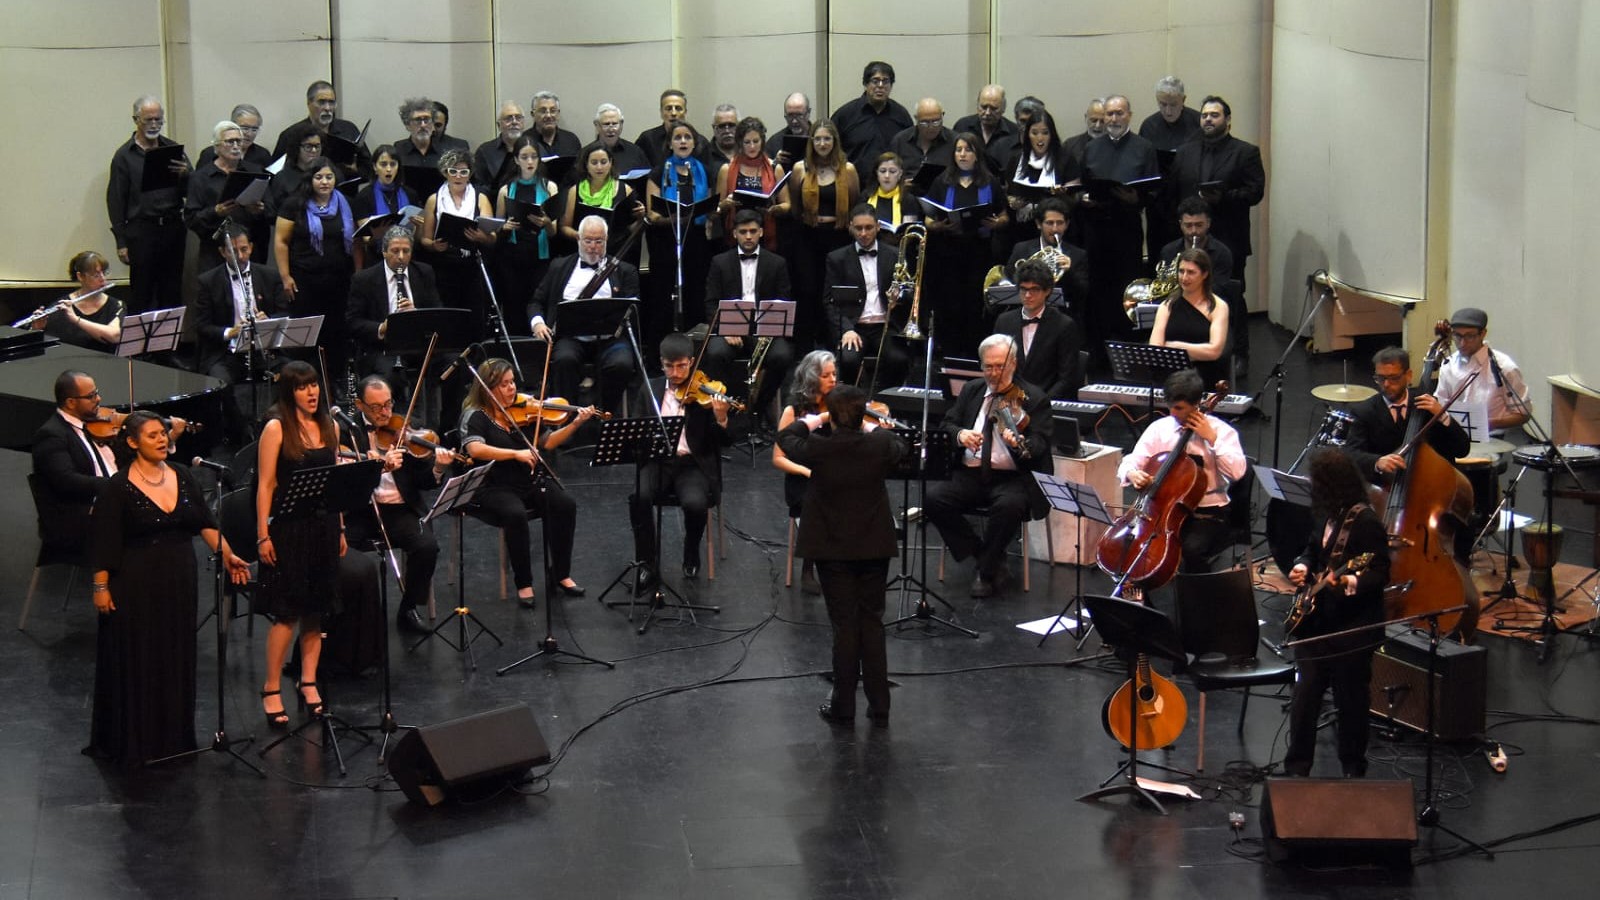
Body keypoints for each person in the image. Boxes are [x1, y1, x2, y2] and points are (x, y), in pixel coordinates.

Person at [84, 411, 250, 764]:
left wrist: (228, 555)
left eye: (163, 433)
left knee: (174, 653)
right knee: (140, 656)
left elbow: (204, 522)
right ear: (132, 443)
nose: (162, 440)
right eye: (152, 435)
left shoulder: (183, 475)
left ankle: (172, 737)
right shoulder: (117, 486)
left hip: (179, 577)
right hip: (135, 581)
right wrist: (101, 586)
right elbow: (105, 542)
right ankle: (138, 740)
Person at [779, 384, 907, 725]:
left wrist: (816, 418)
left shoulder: (819, 447)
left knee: (844, 626)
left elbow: (786, 438)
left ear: (832, 417)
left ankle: (843, 706)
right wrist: (870, 424)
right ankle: (880, 705)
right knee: (872, 623)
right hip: (873, 546)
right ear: (862, 414)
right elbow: (900, 445)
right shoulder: (879, 444)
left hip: (832, 548)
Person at [1284, 447, 1392, 779]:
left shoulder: (1366, 522)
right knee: (1305, 697)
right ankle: (1296, 768)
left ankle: (1352, 768)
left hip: (1352, 628)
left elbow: (1379, 572)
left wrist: (1348, 580)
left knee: (1351, 701)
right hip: (1318, 623)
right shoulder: (1326, 515)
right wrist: (1302, 566)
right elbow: (1313, 550)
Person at [923, 334, 1053, 597]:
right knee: (933, 498)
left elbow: (1040, 445)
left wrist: (1019, 443)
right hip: (970, 472)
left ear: (1013, 364)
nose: (994, 373)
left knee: (1010, 506)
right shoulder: (973, 390)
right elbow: (948, 424)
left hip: (1013, 477)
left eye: (1000, 366)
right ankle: (986, 555)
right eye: (988, 366)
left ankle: (985, 572)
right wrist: (961, 435)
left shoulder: (1034, 398)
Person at [255, 361, 346, 727]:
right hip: (290, 529)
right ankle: (272, 686)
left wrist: (339, 528)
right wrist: (263, 534)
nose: (311, 393)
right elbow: (266, 485)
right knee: (288, 611)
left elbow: (336, 480)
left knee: (316, 610)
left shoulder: (331, 426)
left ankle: (308, 680)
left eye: (314, 386)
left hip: (323, 526)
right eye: (302, 387)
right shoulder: (276, 428)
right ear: (289, 392)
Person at [459, 357, 591, 607]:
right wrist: (515, 453)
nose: (512, 389)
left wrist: (576, 422)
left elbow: (548, 442)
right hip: (493, 486)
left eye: (512, 383)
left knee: (565, 504)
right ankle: (524, 583)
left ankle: (560, 574)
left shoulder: (523, 410)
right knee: (515, 514)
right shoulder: (475, 415)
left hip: (526, 480)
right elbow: (475, 449)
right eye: (504, 384)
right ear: (488, 388)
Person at [341, 375, 455, 636]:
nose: (385, 412)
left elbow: (424, 481)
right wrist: (376, 467)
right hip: (360, 510)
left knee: (427, 546)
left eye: (389, 404)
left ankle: (408, 608)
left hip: (400, 510)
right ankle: (347, 617)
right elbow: (343, 481)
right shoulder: (346, 431)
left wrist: (438, 467)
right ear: (359, 405)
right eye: (377, 407)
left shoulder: (405, 428)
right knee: (339, 551)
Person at [1116, 368, 1247, 573]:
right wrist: (1132, 473)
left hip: (1207, 514)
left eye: (1179, 408)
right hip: (1161, 509)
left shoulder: (1222, 432)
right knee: (1129, 545)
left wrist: (1212, 439)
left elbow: (1237, 472)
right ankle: (1141, 600)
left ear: (1197, 405)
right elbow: (1132, 460)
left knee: (1190, 550)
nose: (1173, 414)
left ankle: (1197, 599)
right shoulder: (1160, 428)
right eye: (1170, 407)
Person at [630, 333, 734, 584]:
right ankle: (647, 562)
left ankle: (691, 552)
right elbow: (636, 431)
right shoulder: (650, 389)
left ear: (692, 362)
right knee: (639, 498)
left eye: (682, 366)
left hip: (692, 464)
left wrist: (721, 419)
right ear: (662, 363)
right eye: (669, 366)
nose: (675, 373)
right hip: (658, 461)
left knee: (696, 504)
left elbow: (726, 442)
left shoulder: (706, 394)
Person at [1167, 96, 1265, 360]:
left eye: (1214, 115)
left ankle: (1238, 354)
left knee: (1231, 297)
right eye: (1204, 115)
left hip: (1228, 237)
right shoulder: (1186, 151)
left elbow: (1256, 192)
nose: (1208, 119)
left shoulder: (1246, 152)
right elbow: (1174, 191)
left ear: (1228, 120)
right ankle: (1194, 349)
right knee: (1187, 292)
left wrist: (1225, 197)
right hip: (1191, 239)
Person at [528, 215, 640, 416]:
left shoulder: (625, 271)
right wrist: (538, 324)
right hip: (571, 338)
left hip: (610, 339)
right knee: (564, 360)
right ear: (578, 239)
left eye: (599, 241)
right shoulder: (559, 266)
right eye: (588, 240)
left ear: (607, 241)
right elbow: (535, 301)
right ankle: (565, 419)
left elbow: (632, 311)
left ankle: (603, 413)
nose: (593, 246)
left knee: (622, 364)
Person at [1080, 95, 1160, 354]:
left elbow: (1153, 190)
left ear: (1129, 115)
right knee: (1098, 287)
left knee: (1126, 286)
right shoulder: (1092, 148)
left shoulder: (1144, 147)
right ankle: (1100, 348)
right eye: (1109, 114)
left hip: (1127, 229)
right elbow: (1083, 184)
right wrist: (1085, 199)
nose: (1113, 119)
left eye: (1119, 113)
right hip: (1096, 229)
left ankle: (1127, 346)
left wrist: (1136, 198)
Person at [194, 228, 288, 445]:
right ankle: (240, 436)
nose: (240, 256)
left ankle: (276, 426)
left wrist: (269, 319)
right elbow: (202, 326)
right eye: (234, 251)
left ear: (252, 248)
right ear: (222, 252)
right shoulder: (208, 281)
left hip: (262, 349)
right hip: (227, 353)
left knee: (294, 374)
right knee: (222, 383)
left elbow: (285, 312)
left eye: (244, 249)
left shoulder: (269, 275)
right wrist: (230, 331)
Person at [701, 209, 796, 418]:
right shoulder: (719, 262)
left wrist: (770, 329)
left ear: (761, 232)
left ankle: (758, 409)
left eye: (753, 231)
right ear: (734, 233)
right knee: (716, 354)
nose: (749, 236)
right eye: (743, 232)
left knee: (782, 356)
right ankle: (729, 408)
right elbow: (710, 303)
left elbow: (783, 300)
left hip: (764, 330)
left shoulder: (776, 263)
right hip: (729, 329)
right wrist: (725, 330)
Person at [921, 132, 1009, 359]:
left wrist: (996, 222)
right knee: (949, 305)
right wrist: (938, 225)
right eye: (959, 150)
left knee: (974, 306)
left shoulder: (989, 183)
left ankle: (973, 354)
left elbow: (1004, 216)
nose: (963, 154)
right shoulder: (942, 181)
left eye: (968, 150)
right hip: (948, 253)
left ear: (977, 155)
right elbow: (928, 219)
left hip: (979, 254)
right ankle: (950, 353)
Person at [273, 155, 358, 375]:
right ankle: (306, 379)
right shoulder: (295, 204)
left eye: (329, 177)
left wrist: (357, 275)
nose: (324, 182)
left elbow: (356, 241)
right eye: (319, 177)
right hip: (304, 280)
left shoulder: (344, 203)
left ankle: (336, 381)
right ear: (310, 179)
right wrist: (285, 276)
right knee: (307, 334)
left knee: (337, 332)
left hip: (339, 281)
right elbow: (281, 242)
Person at [780, 119, 861, 348]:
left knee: (833, 291)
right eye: (818, 139)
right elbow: (795, 206)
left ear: (834, 141)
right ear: (811, 141)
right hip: (808, 236)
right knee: (808, 290)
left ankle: (833, 342)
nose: (822, 143)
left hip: (838, 237)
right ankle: (805, 345)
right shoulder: (800, 168)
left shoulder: (848, 169)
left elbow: (854, 202)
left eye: (827, 138)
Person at [107, 95, 190, 314]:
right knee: (142, 292)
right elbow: (116, 200)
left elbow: (191, 191)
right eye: (149, 120)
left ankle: (169, 347)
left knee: (171, 291)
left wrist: (185, 175)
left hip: (172, 228)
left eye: (158, 120)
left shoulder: (172, 148)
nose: (154, 125)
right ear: (136, 120)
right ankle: (140, 348)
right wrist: (121, 242)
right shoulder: (124, 156)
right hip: (141, 231)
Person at [1344, 346, 1471, 483]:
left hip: (1428, 484)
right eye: (1380, 378)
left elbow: (1461, 449)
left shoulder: (1426, 406)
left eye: (1394, 378)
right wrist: (1377, 462)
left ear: (1408, 375)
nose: (1386, 384)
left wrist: (1442, 416)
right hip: (1386, 487)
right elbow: (1351, 454)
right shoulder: (1364, 411)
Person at [32, 372, 122, 555]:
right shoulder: (51, 434)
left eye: (96, 392)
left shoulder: (88, 424)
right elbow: (66, 480)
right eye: (91, 396)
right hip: (76, 518)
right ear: (71, 402)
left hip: (103, 503)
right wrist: (113, 485)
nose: (99, 399)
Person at [644, 121, 716, 349]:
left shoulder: (703, 170)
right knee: (664, 296)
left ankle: (694, 349)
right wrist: (676, 218)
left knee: (696, 291)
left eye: (687, 137)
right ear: (670, 143)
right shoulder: (659, 172)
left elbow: (711, 206)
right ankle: (660, 351)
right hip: (666, 238)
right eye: (678, 137)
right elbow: (652, 214)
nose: (683, 141)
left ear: (695, 143)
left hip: (696, 239)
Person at [773, 349, 838, 595]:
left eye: (834, 374)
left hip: (833, 475)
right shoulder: (794, 411)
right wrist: (807, 472)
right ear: (812, 378)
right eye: (826, 375)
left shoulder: (839, 406)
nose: (833, 379)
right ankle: (809, 568)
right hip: (803, 478)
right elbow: (778, 459)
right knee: (816, 502)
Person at [822, 204, 909, 388]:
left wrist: (899, 298)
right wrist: (846, 329)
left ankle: (886, 403)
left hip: (886, 326)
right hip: (855, 327)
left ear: (878, 227)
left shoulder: (895, 255)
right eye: (858, 228)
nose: (863, 233)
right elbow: (830, 301)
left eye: (868, 228)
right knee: (848, 360)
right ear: (850, 227)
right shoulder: (837, 258)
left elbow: (910, 292)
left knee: (898, 359)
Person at [419, 148, 497, 338]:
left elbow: (493, 237)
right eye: (453, 171)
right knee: (450, 318)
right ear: (445, 173)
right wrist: (433, 246)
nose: (458, 176)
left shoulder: (480, 197)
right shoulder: (434, 199)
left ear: (470, 174)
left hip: (472, 266)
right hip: (445, 267)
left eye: (463, 171)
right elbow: (424, 239)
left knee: (475, 318)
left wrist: (480, 237)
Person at [346, 225, 440, 383]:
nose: (401, 257)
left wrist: (417, 314)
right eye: (395, 251)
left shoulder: (424, 272)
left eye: (406, 251)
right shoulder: (364, 279)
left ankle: (445, 409)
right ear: (384, 252)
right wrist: (382, 328)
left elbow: (438, 311)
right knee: (392, 374)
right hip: (383, 349)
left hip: (420, 346)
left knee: (454, 363)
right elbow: (352, 322)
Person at [493, 134, 559, 329]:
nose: (530, 162)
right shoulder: (506, 190)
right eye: (524, 157)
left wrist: (546, 221)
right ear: (516, 160)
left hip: (539, 256)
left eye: (534, 157)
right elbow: (497, 227)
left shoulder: (549, 187)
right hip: (512, 257)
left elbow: (554, 231)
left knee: (537, 302)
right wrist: (505, 227)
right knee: (514, 306)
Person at [994, 258, 1083, 400]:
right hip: (1010, 402)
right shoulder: (1004, 321)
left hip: (1046, 404)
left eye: (1034, 289)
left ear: (1047, 291)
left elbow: (1067, 379)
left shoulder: (1064, 325)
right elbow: (997, 368)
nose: (1028, 295)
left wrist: (1040, 404)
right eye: (1024, 289)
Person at [184, 120, 269, 266]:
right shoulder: (200, 178)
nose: (236, 146)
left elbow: (272, 209)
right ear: (217, 146)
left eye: (239, 141)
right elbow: (191, 219)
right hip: (214, 251)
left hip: (250, 249)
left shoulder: (255, 171)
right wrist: (216, 212)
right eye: (230, 142)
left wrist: (260, 210)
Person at [1435, 307, 1531, 431]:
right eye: (1457, 336)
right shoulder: (1448, 365)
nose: (1463, 343)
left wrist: (1486, 423)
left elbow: (1523, 414)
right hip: (1456, 438)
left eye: (1470, 336)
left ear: (1483, 334)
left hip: (1495, 439)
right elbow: (1440, 405)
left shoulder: (1504, 367)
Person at [1149, 247, 1231, 387]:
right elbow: (1155, 348)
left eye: (1191, 272)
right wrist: (1195, 352)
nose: (1184, 277)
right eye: (1181, 271)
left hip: (1205, 376)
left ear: (1204, 274)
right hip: (1172, 376)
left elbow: (1214, 351)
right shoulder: (1167, 305)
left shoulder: (1218, 306)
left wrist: (1177, 347)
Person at [559, 143, 647, 261]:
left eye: (604, 162)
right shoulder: (575, 191)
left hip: (616, 254)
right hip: (585, 253)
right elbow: (565, 227)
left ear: (610, 163)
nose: (599, 167)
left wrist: (641, 217)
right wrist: (580, 236)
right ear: (586, 165)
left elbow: (631, 229)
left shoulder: (625, 190)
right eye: (594, 163)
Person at [1003, 110, 1078, 246]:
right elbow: (1007, 192)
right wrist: (1012, 201)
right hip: (1022, 231)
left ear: (1052, 135)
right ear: (1027, 135)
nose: (1040, 138)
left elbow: (1075, 199)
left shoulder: (1065, 159)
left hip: (1055, 229)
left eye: (1045, 132)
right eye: (1034, 133)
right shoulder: (1017, 159)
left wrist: (1062, 196)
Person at [270, 81, 372, 181]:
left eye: (331, 102)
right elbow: (276, 174)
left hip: (344, 194)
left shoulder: (349, 130)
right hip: (304, 194)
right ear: (309, 103)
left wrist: (355, 171)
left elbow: (369, 168)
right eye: (321, 102)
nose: (327, 108)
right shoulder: (290, 135)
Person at [1003, 197, 1089, 312]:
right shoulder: (1021, 249)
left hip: (1062, 317)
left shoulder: (1078, 254)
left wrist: (1069, 272)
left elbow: (1082, 294)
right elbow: (1009, 283)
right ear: (1039, 224)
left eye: (1060, 223)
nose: (1055, 229)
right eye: (1049, 223)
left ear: (1067, 225)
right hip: (1026, 312)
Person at [28, 251, 125, 351]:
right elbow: (49, 346)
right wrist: (37, 329)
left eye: (105, 273)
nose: (103, 279)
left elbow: (115, 336)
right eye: (96, 275)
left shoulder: (116, 305)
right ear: (80, 276)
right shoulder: (62, 306)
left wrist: (75, 319)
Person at [714, 117, 785, 247]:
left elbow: (788, 205)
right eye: (747, 142)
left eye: (756, 141)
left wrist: (775, 208)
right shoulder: (727, 169)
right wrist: (725, 204)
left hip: (765, 231)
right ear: (740, 143)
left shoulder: (775, 168)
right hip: (736, 233)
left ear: (763, 141)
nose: (752, 146)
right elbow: (715, 208)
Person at [830, 61, 913, 171]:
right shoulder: (845, 115)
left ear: (891, 85)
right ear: (865, 84)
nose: (880, 86)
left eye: (885, 81)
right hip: (854, 184)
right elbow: (831, 149)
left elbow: (910, 152)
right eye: (875, 81)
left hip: (891, 185)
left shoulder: (901, 115)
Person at [350, 144, 425, 261]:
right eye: (383, 164)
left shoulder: (411, 194)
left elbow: (417, 237)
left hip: (406, 257)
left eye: (393, 164)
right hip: (378, 259)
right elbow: (365, 239)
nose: (389, 169)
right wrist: (377, 234)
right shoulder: (364, 197)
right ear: (375, 167)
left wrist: (419, 227)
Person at [953, 84, 1018, 177]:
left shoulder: (1013, 132)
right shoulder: (963, 126)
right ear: (977, 105)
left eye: (994, 108)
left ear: (1003, 109)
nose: (987, 113)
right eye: (983, 107)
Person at [887, 98, 956, 184]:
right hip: (906, 194)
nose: (931, 127)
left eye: (936, 122)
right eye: (924, 122)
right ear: (916, 118)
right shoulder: (900, 141)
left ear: (942, 115)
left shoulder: (954, 141)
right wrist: (900, 184)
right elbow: (888, 174)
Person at [471, 101, 527, 196]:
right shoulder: (485, 151)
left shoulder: (535, 149)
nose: (514, 122)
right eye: (508, 118)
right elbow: (478, 187)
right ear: (498, 125)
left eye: (518, 118)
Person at [196, 103, 272, 172]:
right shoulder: (210, 154)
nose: (249, 134)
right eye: (245, 128)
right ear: (233, 126)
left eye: (254, 129)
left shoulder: (262, 155)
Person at [586, 103, 652, 180]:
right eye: (606, 124)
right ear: (597, 125)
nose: (611, 129)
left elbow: (648, 180)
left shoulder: (635, 152)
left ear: (621, 125)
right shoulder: (585, 153)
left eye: (614, 124)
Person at [527, 91, 583, 168]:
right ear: (533, 114)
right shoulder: (524, 140)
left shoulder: (571, 140)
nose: (548, 115)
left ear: (558, 113)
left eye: (553, 111)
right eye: (543, 111)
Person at [393, 98, 443, 171]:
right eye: (418, 120)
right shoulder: (398, 150)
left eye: (427, 120)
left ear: (433, 124)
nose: (423, 125)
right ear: (407, 125)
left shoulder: (444, 151)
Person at [765, 91, 813, 168]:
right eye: (790, 116)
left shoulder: (820, 139)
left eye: (799, 115)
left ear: (808, 113)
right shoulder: (775, 142)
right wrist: (774, 163)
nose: (794, 121)